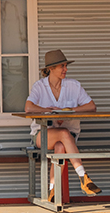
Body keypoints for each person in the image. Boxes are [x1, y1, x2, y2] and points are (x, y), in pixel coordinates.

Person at [25, 49, 100, 200]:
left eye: (66, 66)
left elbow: (91, 106)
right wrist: (49, 112)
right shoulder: (39, 86)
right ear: (50, 69)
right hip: (42, 135)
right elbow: (28, 108)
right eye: (62, 66)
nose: (65, 69)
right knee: (63, 133)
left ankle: (52, 189)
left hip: (69, 137)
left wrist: (69, 111)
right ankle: (83, 176)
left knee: (61, 146)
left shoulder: (73, 85)